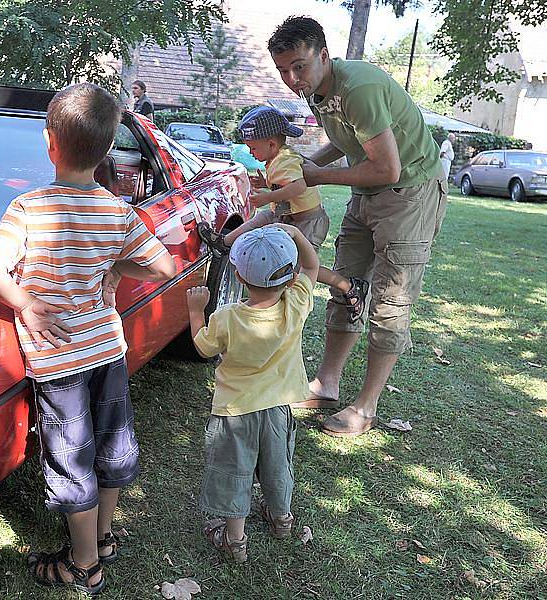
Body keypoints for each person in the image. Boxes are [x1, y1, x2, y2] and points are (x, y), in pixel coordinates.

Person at [0, 82, 176, 595]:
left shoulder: (29, 209)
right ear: (108, 150)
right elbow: (163, 265)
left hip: (59, 361)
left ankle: (84, 564)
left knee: (71, 456)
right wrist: (115, 265)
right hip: (107, 351)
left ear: (50, 144)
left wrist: (26, 302)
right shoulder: (117, 211)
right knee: (111, 445)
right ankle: (103, 538)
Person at [268, 16, 447, 436]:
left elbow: (386, 168)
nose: (292, 79)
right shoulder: (317, 90)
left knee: (390, 299)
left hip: (410, 193)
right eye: (283, 70)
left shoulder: (359, 88)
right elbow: (350, 141)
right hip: (368, 195)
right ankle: (327, 382)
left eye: (299, 66)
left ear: (324, 56)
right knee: (347, 283)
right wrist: (314, 162)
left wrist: (318, 176)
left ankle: (365, 406)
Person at [186, 224, 319, 562]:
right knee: (277, 466)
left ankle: (235, 541)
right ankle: (281, 520)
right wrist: (296, 233)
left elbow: (203, 348)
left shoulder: (227, 317)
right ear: (289, 279)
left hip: (234, 413)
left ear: (240, 277)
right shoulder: (295, 304)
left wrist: (194, 311)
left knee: (236, 471)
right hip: (277, 409)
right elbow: (313, 266)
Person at [197, 105, 368, 322]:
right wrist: (266, 185)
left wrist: (268, 197)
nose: (250, 152)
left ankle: (349, 286)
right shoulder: (275, 158)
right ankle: (224, 242)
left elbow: (298, 187)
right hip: (287, 215)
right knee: (262, 218)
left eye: (253, 148)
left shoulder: (285, 160)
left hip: (307, 221)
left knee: (301, 267)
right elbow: (285, 186)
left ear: (271, 144)